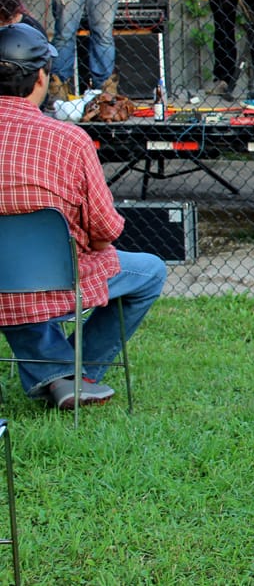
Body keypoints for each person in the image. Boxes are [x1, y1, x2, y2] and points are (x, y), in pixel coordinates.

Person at [0, 22, 165, 410]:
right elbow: (105, 232)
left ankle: (55, 371)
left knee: (14, 272)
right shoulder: (69, 140)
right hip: (55, 278)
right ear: (41, 76)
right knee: (150, 271)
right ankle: (71, 372)